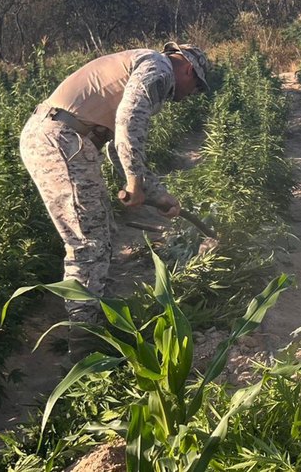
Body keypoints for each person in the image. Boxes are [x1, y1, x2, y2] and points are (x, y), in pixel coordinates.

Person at [19, 42, 211, 356]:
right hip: (61, 141)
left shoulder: (143, 64)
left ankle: (97, 322)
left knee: (102, 233)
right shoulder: (159, 67)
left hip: (67, 140)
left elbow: (116, 145)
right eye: (196, 87)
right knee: (88, 241)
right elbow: (128, 121)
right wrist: (135, 181)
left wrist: (157, 194)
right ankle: (83, 342)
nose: (192, 94)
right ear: (188, 68)